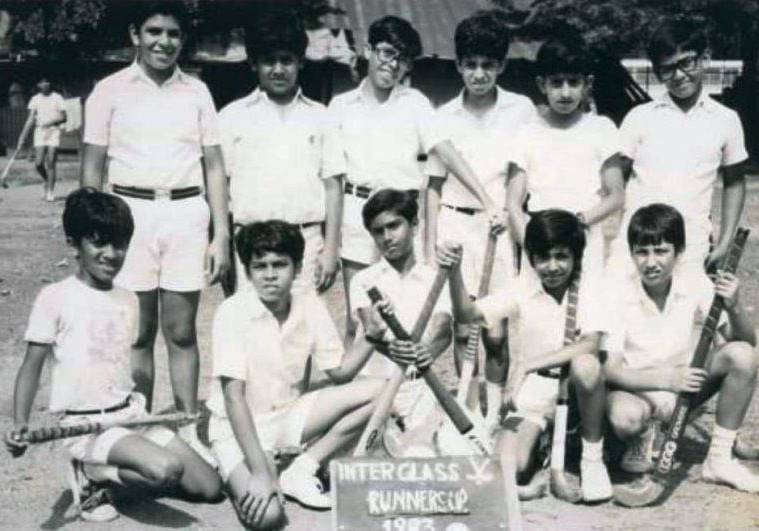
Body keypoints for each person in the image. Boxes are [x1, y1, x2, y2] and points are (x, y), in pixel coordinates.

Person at [4, 188, 222, 523]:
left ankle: (117, 467)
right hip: (85, 427)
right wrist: (20, 423)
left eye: (119, 244)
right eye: (98, 243)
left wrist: (139, 413)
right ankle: (93, 473)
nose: (111, 254)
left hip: (130, 416)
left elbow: (122, 365)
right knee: (166, 469)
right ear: (74, 244)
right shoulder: (56, 297)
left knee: (209, 487)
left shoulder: (128, 299)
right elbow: (31, 367)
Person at [81, 0, 230, 462]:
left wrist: (221, 234)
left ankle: (187, 428)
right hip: (128, 216)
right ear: (135, 35)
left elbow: (214, 167)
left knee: (181, 331)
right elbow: (92, 167)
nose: (164, 42)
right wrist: (92, 233)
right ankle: (139, 427)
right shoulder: (108, 90)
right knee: (137, 331)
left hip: (186, 214)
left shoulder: (197, 92)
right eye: (154, 31)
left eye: (173, 33)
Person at [327, 15, 506, 342]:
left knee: (409, 314)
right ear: (368, 49)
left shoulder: (417, 103)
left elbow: (447, 152)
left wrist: (487, 200)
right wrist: (330, 247)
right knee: (360, 319)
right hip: (357, 218)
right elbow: (333, 180)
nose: (392, 65)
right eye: (386, 53)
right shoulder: (340, 106)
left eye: (403, 59)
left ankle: (406, 376)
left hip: (403, 217)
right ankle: (358, 377)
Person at [206, 220, 384, 526]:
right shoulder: (232, 311)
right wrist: (260, 473)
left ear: (298, 267)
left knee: (382, 390)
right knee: (268, 518)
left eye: (280, 264)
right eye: (260, 266)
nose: (270, 275)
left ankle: (302, 467)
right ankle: (251, 465)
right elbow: (234, 399)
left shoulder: (309, 305)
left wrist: (372, 336)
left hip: (288, 419)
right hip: (235, 430)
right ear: (247, 271)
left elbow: (340, 372)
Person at [437, 210, 613, 503]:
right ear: (531, 258)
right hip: (534, 394)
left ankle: (592, 459)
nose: (552, 267)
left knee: (586, 366)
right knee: (507, 468)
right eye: (543, 258)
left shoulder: (590, 287)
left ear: (576, 255)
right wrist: (454, 273)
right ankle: (543, 444)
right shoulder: (522, 287)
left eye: (561, 256)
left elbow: (590, 345)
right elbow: (468, 314)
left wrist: (527, 365)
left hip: (577, 393)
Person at [603, 203, 759, 494]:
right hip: (635, 391)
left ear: (679, 252)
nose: (651, 262)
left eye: (661, 251)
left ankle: (719, 459)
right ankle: (644, 434)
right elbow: (612, 371)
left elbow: (745, 341)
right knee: (625, 418)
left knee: (742, 355)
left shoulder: (694, 282)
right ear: (631, 253)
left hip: (683, 391)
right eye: (642, 252)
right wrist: (668, 379)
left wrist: (734, 307)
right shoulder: (618, 291)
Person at [424, 13, 537, 428]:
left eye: (488, 65)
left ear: (501, 65)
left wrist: (507, 210)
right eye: (470, 64)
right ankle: (470, 414)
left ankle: (495, 414)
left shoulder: (521, 109)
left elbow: (523, 171)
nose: (478, 74)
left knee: (495, 332)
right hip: (456, 227)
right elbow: (433, 187)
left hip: (499, 230)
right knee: (461, 327)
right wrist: (430, 245)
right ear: (458, 65)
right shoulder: (442, 116)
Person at [607, 17, 748, 283]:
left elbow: (735, 182)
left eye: (687, 62)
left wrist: (725, 241)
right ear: (657, 71)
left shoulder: (726, 119)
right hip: (636, 246)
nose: (679, 75)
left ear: (705, 58)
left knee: (685, 309)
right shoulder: (639, 117)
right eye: (667, 68)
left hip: (692, 245)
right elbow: (615, 179)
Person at [219, 10, 344, 295]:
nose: (278, 69)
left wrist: (330, 249)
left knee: (302, 321)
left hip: (305, 242)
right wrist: (223, 244)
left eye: (286, 60)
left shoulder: (321, 117)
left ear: (301, 62)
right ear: (254, 63)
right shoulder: (231, 117)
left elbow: (333, 187)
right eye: (269, 61)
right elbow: (220, 187)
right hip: (250, 243)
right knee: (250, 321)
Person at [508, 29, 624, 291]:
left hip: (585, 238)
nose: (565, 92)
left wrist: (578, 223)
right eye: (557, 83)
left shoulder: (601, 128)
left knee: (584, 308)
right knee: (536, 309)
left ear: (587, 84)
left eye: (573, 82)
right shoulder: (527, 132)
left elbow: (616, 195)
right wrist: (532, 245)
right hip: (540, 242)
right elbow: (513, 202)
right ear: (542, 85)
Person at [350, 189, 453, 457]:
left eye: (394, 226)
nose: (387, 237)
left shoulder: (435, 278)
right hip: (374, 389)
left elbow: (443, 330)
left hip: (419, 387)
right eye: (378, 231)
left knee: (420, 459)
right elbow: (372, 331)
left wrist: (426, 352)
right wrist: (394, 348)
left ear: (415, 226)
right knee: (359, 464)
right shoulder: (363, 280)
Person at [17, 77, 66, 201]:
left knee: (51, 161)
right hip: (40, 132)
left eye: (46, 82)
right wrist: (22, 136)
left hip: (54, 131)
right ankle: (47, 180)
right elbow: (30, 120)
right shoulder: (35, 99)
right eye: (41, 82)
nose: (44, 84)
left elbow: (64, 117)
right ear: (38, 85)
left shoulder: (57, 97)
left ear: (50, 84)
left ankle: (50, 192)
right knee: (38, 163)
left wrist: (50, 122)